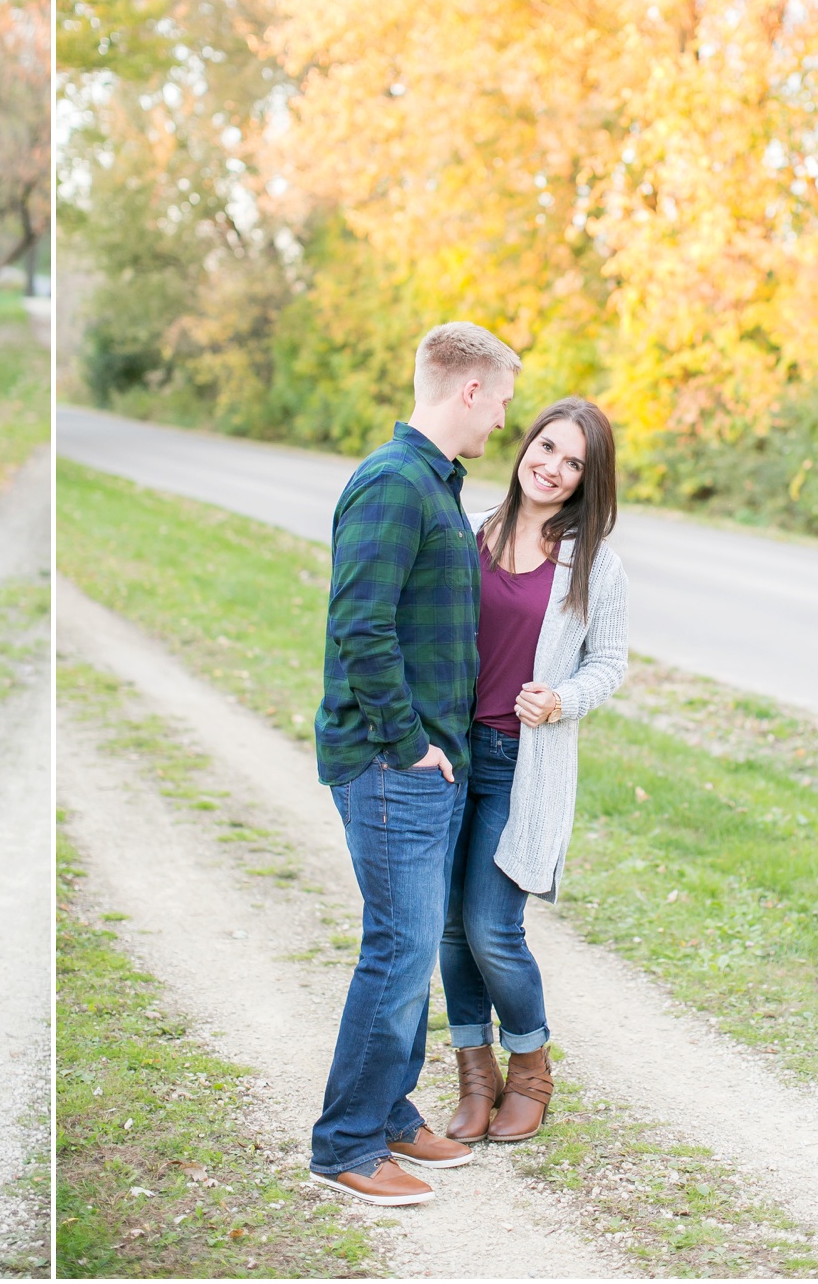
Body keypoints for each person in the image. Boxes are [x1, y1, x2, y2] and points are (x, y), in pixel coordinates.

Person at [308, 321, 523, 1207]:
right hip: (393, 762)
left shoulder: (437, 488)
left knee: (406, 947)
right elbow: (361, 626)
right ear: (468, 389)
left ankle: (392, 1114)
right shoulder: (394, 484)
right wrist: (406, 743)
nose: (504, 420)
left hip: (425, 764)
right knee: (397, 952)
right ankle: (347, 1144)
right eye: (502, 400)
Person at [441, 398, 627, 1144]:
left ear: (587, 479)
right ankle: (473, 1075)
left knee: (492, 926)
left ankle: (531, 1066)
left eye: (573, 461)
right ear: (526, 445)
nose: (551, 466)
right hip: (452, 756)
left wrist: (563, 698)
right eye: (546, 446)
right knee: (450, 929)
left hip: (522, 762)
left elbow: (610, 663)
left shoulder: (593, 561)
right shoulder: (474, 530)